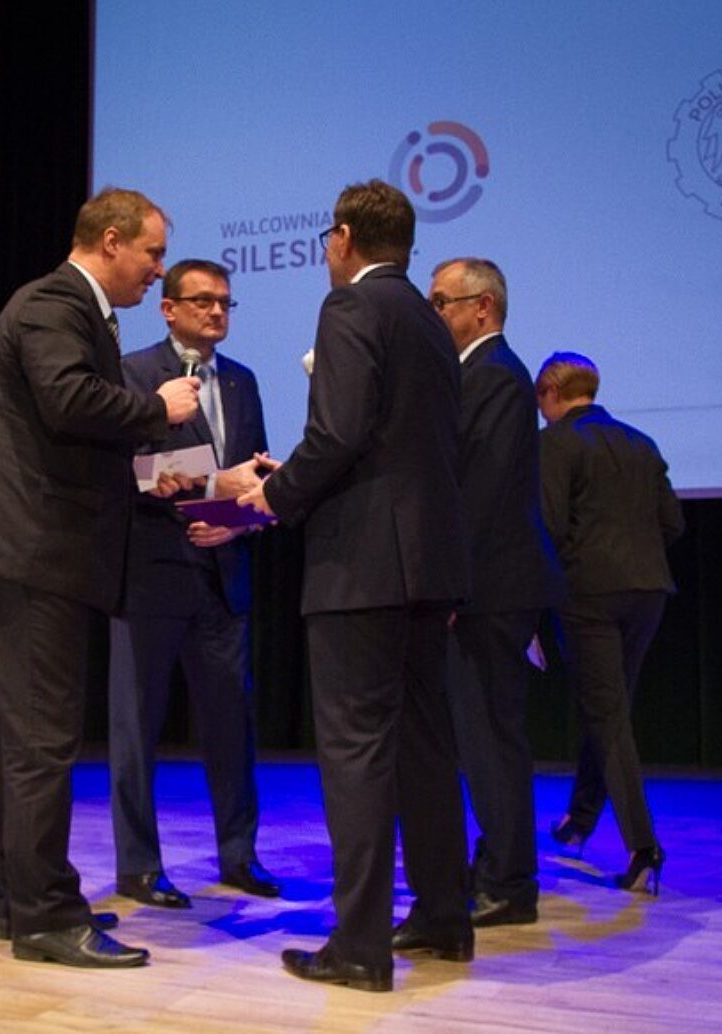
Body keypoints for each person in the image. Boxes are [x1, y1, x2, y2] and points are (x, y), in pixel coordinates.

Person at [0, 187, 201, 969]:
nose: (158, 270)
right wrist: (155, 408)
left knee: (27, 736)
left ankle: (22, 901)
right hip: (31, 551)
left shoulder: (77, 309)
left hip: (32, 550)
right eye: (153, 253)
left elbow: (69, 427)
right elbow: (67, 400)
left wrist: (145, 471)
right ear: (111, 240)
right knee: (43, 739)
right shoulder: (55, 302)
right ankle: (46, 918)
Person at [239, 180, 471, 992]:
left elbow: (336, 433)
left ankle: (361, 949)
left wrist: (276, 493)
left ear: (342, 238)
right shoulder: (432, 322)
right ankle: (444, 918)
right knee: (426, 747)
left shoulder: (350, 306)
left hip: (363, 566)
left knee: (358, 752)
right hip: (429, 565)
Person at [109, 259, 281, 908]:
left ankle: (239, 856)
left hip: (222, 580)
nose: (216, 312)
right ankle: (138, 868)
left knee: (232, 728)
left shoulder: (242, 381)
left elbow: (253, 477)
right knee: (136, 729)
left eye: (225, 303)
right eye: (203, 301)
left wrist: (237, 522)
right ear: (169, 308)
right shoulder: (133, 374)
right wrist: (212, 486)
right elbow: (128, 469)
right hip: (151, 576)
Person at [427, 258, 565, 926]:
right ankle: (498, 866)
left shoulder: (496, 375)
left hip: (489, 587)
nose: (433, 314)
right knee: (482, 734)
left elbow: (478, 492)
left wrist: (451, 587)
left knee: (489, 737)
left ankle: (509, 883)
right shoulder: (481, 374)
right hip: (491, 584)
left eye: (441, 302)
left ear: (482, 307)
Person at [536, 351, 683, 895]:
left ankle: (644, 849)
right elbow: (673, 522)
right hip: (648, 591)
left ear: (552, 393)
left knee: (608, 714)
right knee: (609, 709)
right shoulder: (641, 442)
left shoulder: (554, 442)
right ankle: (579, 820)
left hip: (589, 595)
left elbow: (548, 526)